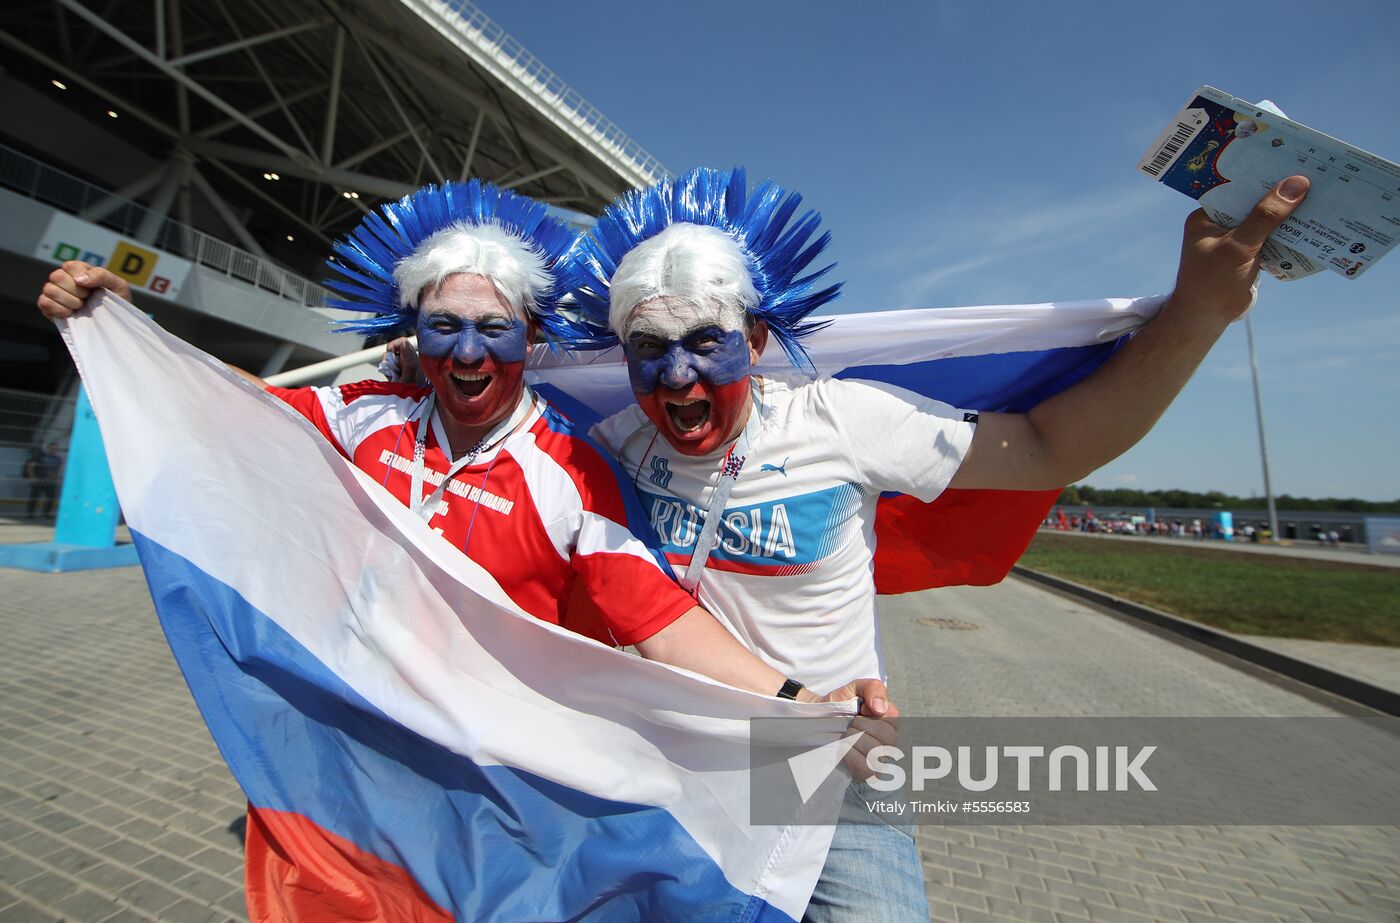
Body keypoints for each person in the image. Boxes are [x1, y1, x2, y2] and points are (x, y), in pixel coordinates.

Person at [37, 180, 895, 916]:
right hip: (353, 742)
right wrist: (120, 329)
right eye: (445, 328)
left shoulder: (569, 466)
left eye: (495, 329)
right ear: (413, 333)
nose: (471, 352)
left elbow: (657, 617)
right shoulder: (365, 413)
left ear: (530, 336)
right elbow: (230, 414)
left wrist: (797, 701)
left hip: (494, 774)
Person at [562, 165, 1310, 921]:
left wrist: (1199, 312)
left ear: (754, 339)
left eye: (705, 342)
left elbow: (1050, 448)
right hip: (671, 757)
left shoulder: (840, 420)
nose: (677, 373)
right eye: (649, 347)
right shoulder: (613, 444)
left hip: (827, 762)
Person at [23, 441, 63, 520]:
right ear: (48, 448)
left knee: (50, 499)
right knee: (34, 497)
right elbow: (30, 466)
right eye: (52, 448)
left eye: (56, 449)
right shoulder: (41, 456)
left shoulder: (58, 459)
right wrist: (33, 478)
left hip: (49, 481)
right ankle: (30, 514)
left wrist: (55, 478)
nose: (54, 450)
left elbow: (57, 469)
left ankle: (46, 514)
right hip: (39, 480)